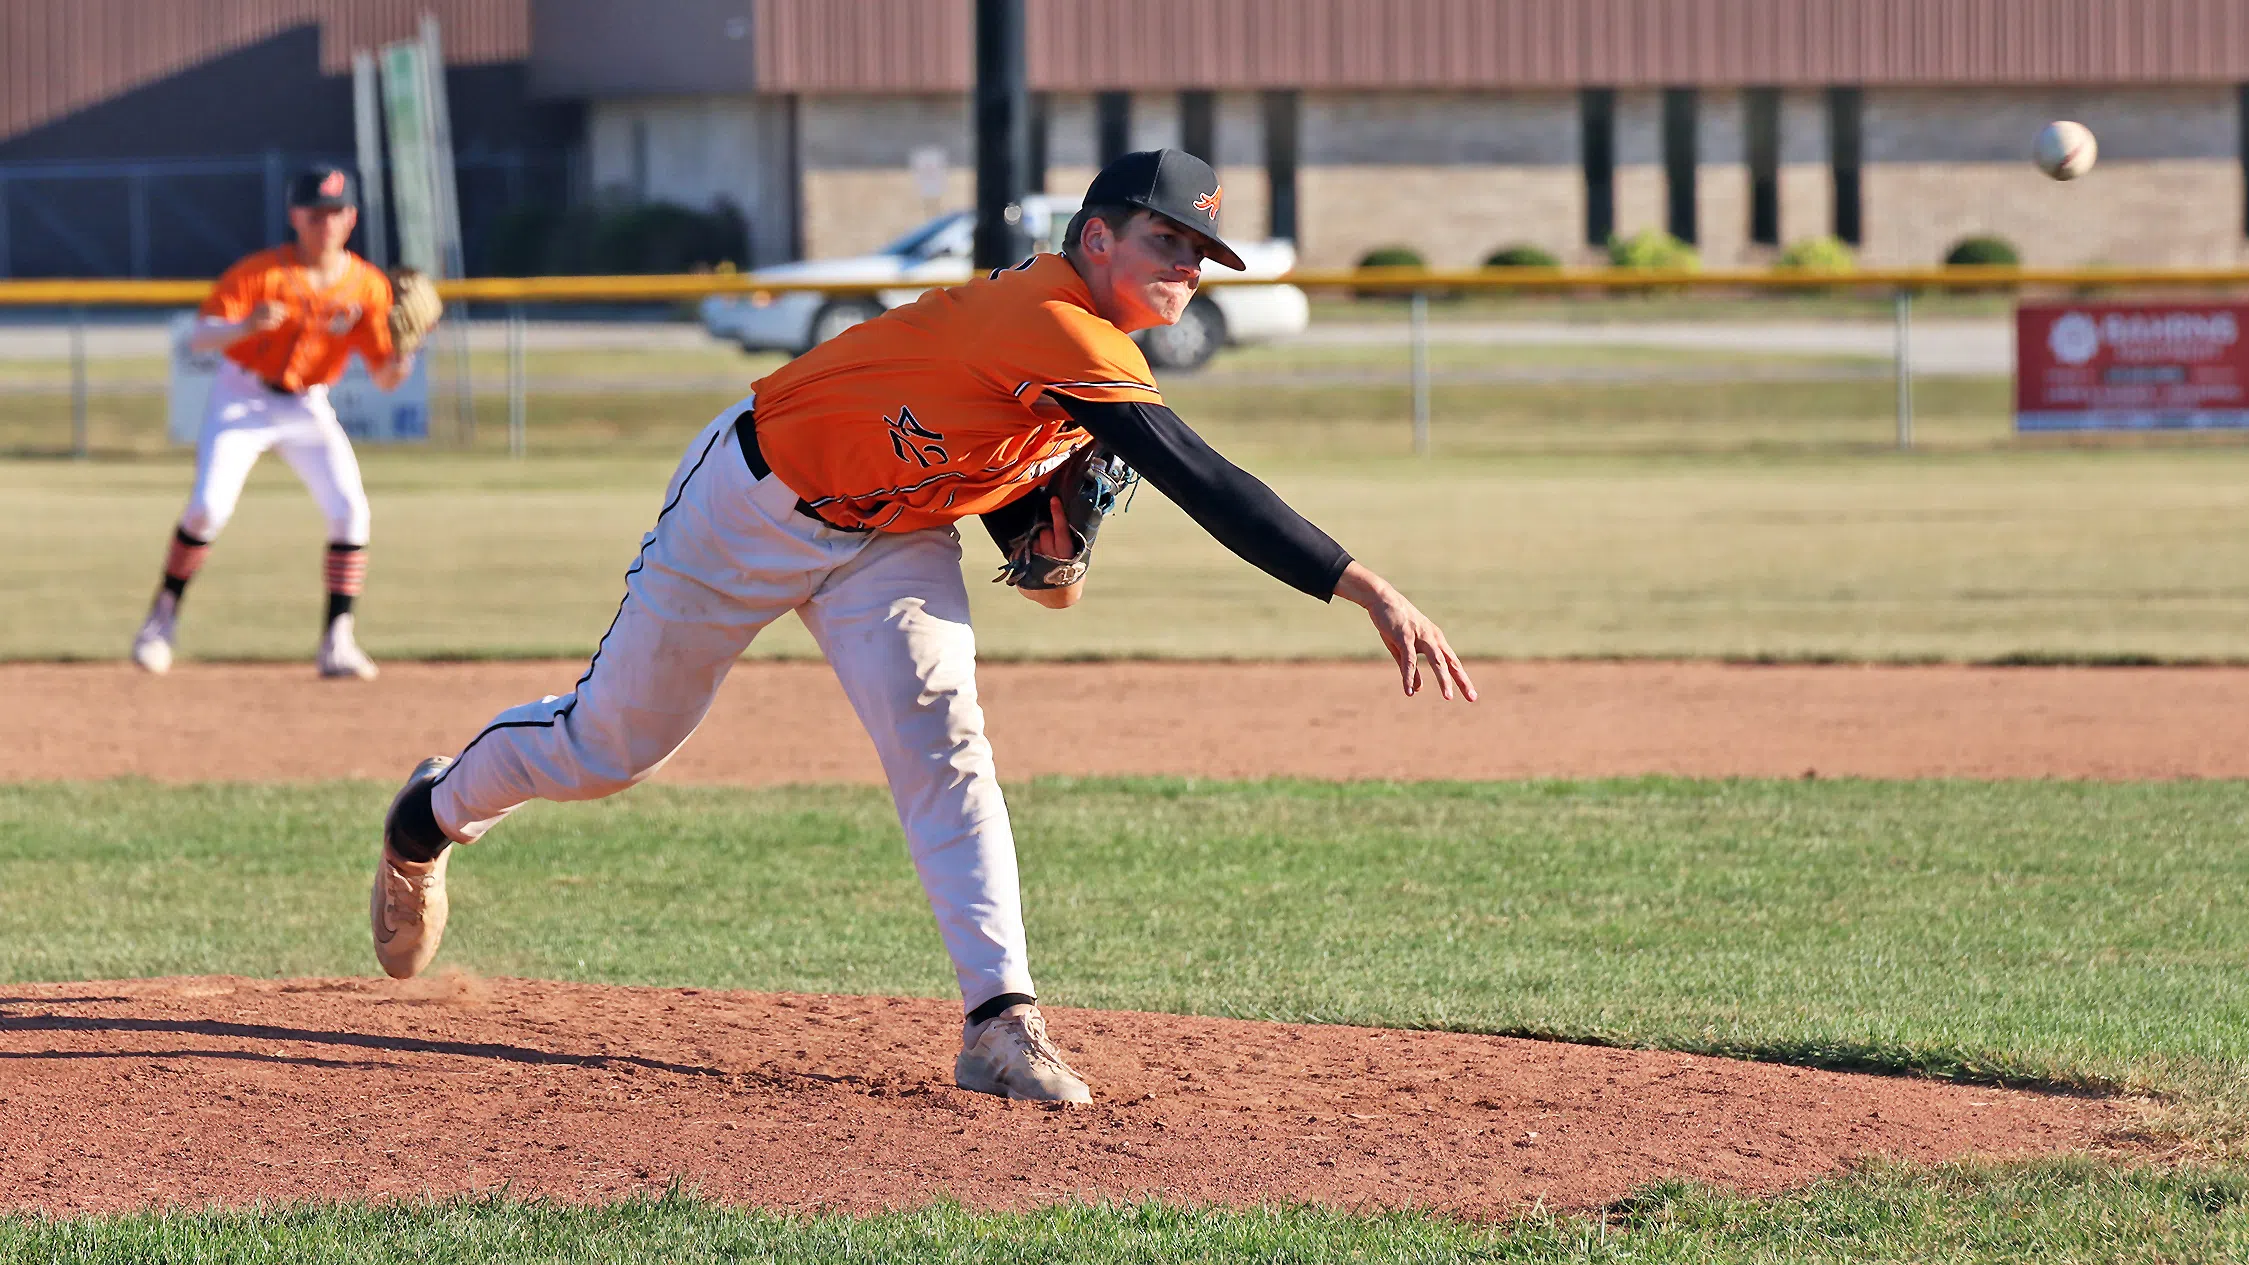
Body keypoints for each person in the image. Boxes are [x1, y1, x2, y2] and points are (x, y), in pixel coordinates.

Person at [370, 150, 1476, 1103]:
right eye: (1164, 239)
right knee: (607, 747)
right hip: (753, 501)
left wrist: (1036, 544)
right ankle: (429, 815)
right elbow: (1202, 479)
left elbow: (1020, 522)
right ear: (1095, 237)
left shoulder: (1091, 360)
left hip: (895, 533)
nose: (1186, 267)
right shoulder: (1052, 320)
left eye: (1201, 252)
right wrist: (1359, 582)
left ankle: (999, 1020)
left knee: (944, 737)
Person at [130, 164, 414, 680]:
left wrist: (402, 359)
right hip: (243, 398)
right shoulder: (262, 273)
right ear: (295, 216)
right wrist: (244, 326)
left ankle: (337, 640)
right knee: (207, 509)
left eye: (335, 212)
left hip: (309, 404)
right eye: (315, 212)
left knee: (351, 511)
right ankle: (160, 620)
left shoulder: (368, 286)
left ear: (351, 218)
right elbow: (198, 337)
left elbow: (384, 377)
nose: (325, 223)